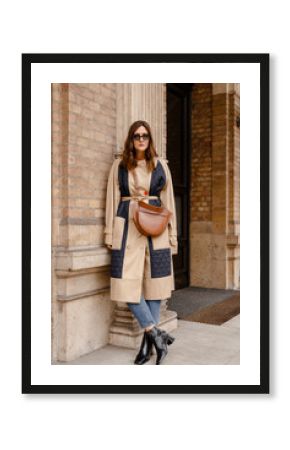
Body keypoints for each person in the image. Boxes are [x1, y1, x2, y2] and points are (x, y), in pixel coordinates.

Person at [104, 120, 178, 364]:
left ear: (150, 139)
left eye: (145, 135)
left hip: (156, 225)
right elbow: (112, 200)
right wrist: (108, 233)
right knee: (125, 283)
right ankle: (156, 333)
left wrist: (172, 235)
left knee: (155, 283)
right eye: (136, 135)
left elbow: (169, 203)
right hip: (127, 225)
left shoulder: (161, 166)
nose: (141, 139)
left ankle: (148, 346)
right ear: (131, 139)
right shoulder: (119, 166)